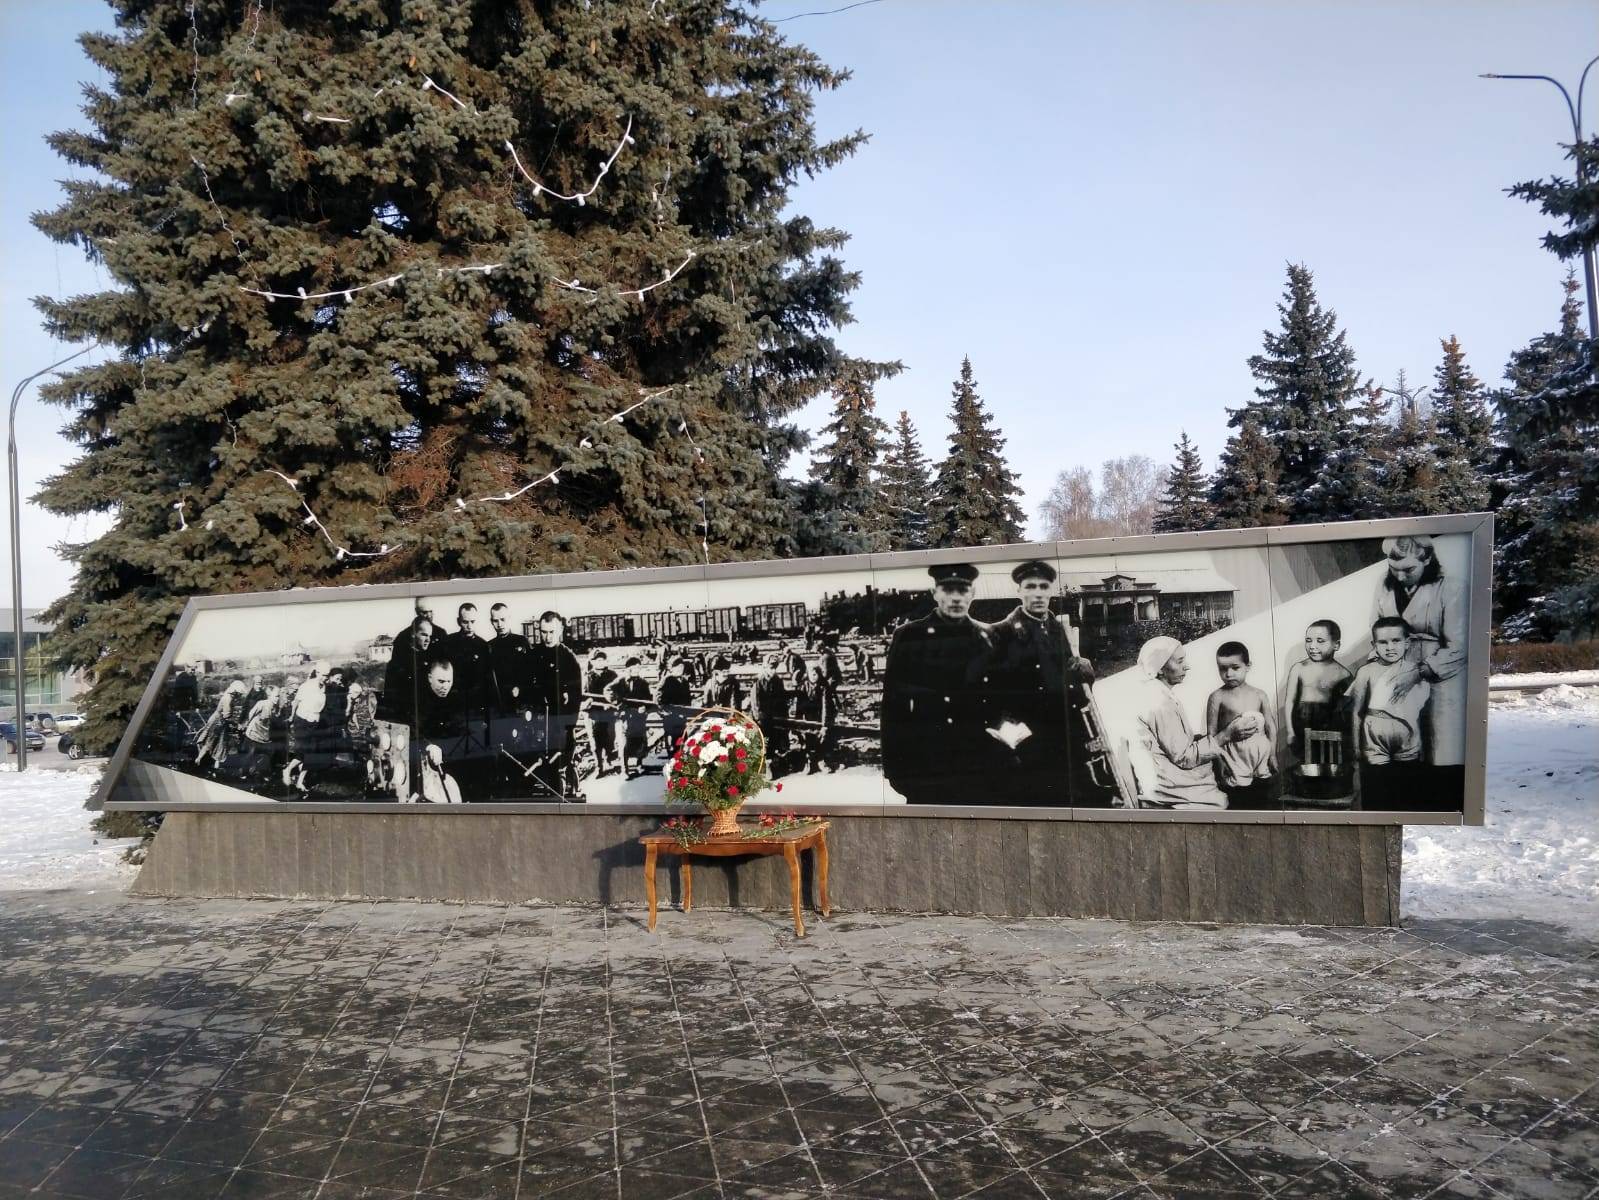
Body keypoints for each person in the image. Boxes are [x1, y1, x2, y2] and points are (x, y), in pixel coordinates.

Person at [983, 559, 1103, 806]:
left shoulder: (1062, 630)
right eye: (1030, 586)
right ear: (1019, 591)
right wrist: (1016, 740)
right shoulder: (1000, 634)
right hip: (1030, 747)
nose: (1037, 593)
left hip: (1071, 740)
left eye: (1043, 586)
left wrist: (1087, 674)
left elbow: (1075, 689)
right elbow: (988, 698)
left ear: (1051, 590)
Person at [881, 563, 998, 805]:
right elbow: (892, 706)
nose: (956, 597)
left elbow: (1001, 700)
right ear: (934, 593)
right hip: (926, 764)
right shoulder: (909, 636)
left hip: (977, 765)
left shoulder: (988, 638)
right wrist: (895, 769)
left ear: (973, 594)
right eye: (948, 589)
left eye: (962, 590)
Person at [1374, 534, 1468, 796]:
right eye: (1394, 569)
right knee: (1402, 746)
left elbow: (1460, 647)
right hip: (1397, 674)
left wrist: (1419, 673)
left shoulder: (1452, 588)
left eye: (1408, 569)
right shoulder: (1384, 585)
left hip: (1440, 680)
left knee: (1438, 748)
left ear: (1426, 559)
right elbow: (1376, 630)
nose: (1400, 576)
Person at [1133, 637, 1260, 809]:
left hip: (1167, 772)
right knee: (1232, 796)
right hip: (1169, 784)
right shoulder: (1160, 703)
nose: (1187, 666)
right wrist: (1227, 735)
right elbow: (1184, 757)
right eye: (1180, 661)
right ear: (1160, 669)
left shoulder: (1159, 693)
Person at [1348, 617, 1432, 810]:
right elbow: (1356, 712)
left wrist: (1421, 743)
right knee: (1376, 787)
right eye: (1383, 642)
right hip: (1374, 736)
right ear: (1374, 645)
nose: (1390, 647)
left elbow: (1422, 710)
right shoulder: (1366, 672)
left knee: (1404, 786)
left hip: (1407, 735)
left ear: (1407, 643)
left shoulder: (1414, 672)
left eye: (1396, 641)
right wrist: (1356, 745)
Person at [1205, 641, 1277, 810]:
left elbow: (1270, 727)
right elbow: (1211, 733)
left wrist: (1272, 754)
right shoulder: (1217, 697)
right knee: (1238, 797)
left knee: (1262, 795)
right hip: (1233, 757)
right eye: (1223, 669)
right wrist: (1219, 761)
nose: (1229, 674)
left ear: (1247, 666)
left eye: (1235, 668)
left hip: (1260, 756)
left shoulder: (1259, 694)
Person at [527, 612, 584, 797]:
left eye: (552, 632)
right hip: (537, 722)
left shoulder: (569, 660)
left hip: (561, 725)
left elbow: (575, 700)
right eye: (544, 632)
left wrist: (567, 728)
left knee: (557, 767)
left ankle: (564, 791)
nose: (548, 637)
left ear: (560, 630)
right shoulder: (533, 656)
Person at [1282, 620, 1353, 763]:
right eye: (1308, 640)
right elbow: (1289, 701)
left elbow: (1347, 710)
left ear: (1336, 645)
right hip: (1301, 726)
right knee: (1306, 765)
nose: (1312, 646)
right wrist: (1290, 731)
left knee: (1329, 763)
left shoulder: (1343, 674)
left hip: (1330, 728)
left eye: (1320, 641)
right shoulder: (1299, 668)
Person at [440, 603, 494, 720]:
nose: (469, 626)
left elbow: (486, 678)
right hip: (453, 702)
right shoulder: (448, 642)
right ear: (458, 621)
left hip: (476, 705)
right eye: (465, 622)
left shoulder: (483, 645)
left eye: (473, 622)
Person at [487, 602, 534, 716]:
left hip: (521, 704)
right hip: (498, 704)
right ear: (491, 621)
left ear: (509, 618)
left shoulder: (522, 641)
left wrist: (520, 688)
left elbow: (532, 672)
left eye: (503, 619)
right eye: (496, 621)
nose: (500, 624)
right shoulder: (489, 646)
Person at [194, 679, 247, 775]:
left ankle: (214, 764)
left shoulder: (229, 697)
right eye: (239, 694)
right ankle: (199, 760)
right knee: (211, 742)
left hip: (220, 722)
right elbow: (227, 716)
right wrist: (237, 724)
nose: (239, 696)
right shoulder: (228, 699)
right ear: (235, 691)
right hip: (217, 722)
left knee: (220, 743)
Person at [612, 657, 654, 778]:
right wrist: (617, 703)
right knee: (624, 743)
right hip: (624, 717)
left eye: (638, 668)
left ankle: (639, 765)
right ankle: (624, 769)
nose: (636, 670)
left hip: (639, 717)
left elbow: (649, 700)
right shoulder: (620, 681)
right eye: (634, 668)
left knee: (640, 742)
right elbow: (608, 691)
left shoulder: (643, 683)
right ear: (628, 669)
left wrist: (645, 707)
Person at [795, 664, 839, 774]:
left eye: (816, 674)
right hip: (808, 717)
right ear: (808, 675)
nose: (814, 677)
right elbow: (799, 707)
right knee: (807, 739)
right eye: (811, 674)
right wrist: (799, 724)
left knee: (822, 738)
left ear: (819, 675)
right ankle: (808, 761)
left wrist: (824, 725)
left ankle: (821, 760)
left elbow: (826, 706)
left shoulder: (823, 686)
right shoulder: (803, 686)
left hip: (821, 716)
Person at [586, 650, 621, 776]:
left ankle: (609, 759)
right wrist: (588, 702)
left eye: (602, 660)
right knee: (595, 741)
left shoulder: (612, 675)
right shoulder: (587, 676)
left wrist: (612, 703)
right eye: (598, 660)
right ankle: (599, 767)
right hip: (593, 714)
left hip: (609, 713)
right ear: (592, 662)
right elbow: (583, 694)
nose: (600, 662)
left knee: (609, 738)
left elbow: (619, 692)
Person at [750, 655, 791, 764]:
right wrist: (759, 718)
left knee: (776, 737)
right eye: (771, 668)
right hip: (762, 717)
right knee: (764, 739)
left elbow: (782, 699)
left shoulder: (777, 681)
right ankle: (765, 761)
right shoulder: (758, 681)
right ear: (765, 667)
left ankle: (774, 759)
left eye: (775, 668)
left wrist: (784, 715)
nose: (773, 671)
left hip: (775, 716)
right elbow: (755, 703)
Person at [657, 658, 694, 755]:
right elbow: (660, 698)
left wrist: (686, 711)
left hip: (682, 717)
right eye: (677, 667)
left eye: (682, 667)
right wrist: (665, 711)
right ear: (672, 669)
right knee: (672, 744)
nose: (680, 670)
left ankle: (679, 758)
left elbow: (688, 699)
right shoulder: (667, 680)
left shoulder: (684, 682)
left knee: (682, 742)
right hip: (670, 717)